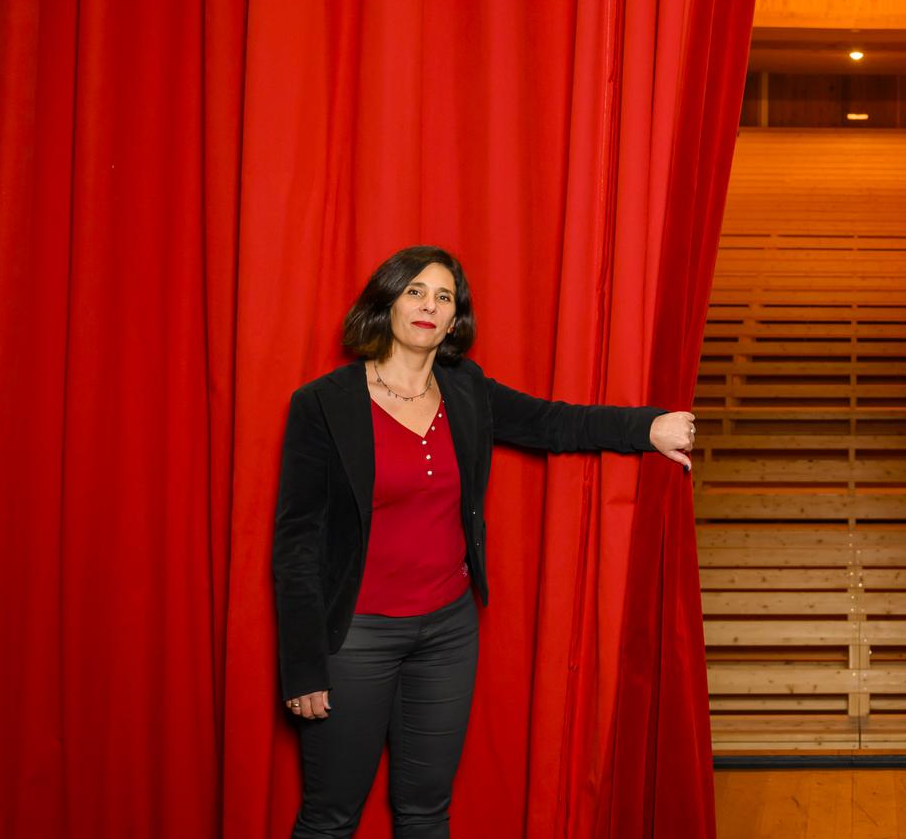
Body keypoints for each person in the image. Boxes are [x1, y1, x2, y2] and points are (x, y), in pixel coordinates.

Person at [272, 244, 696, 838]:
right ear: (386, 302)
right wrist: (303, 668)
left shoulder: (464, 388)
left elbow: (551, 422)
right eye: (415, 290)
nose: (429, 305)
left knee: (426, 811)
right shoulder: (323, 403)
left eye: (444, 296)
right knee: (330, 817)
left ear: (454, 319)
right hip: (354, 639)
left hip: (446, 633)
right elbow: (296, 543)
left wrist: (645, 427)